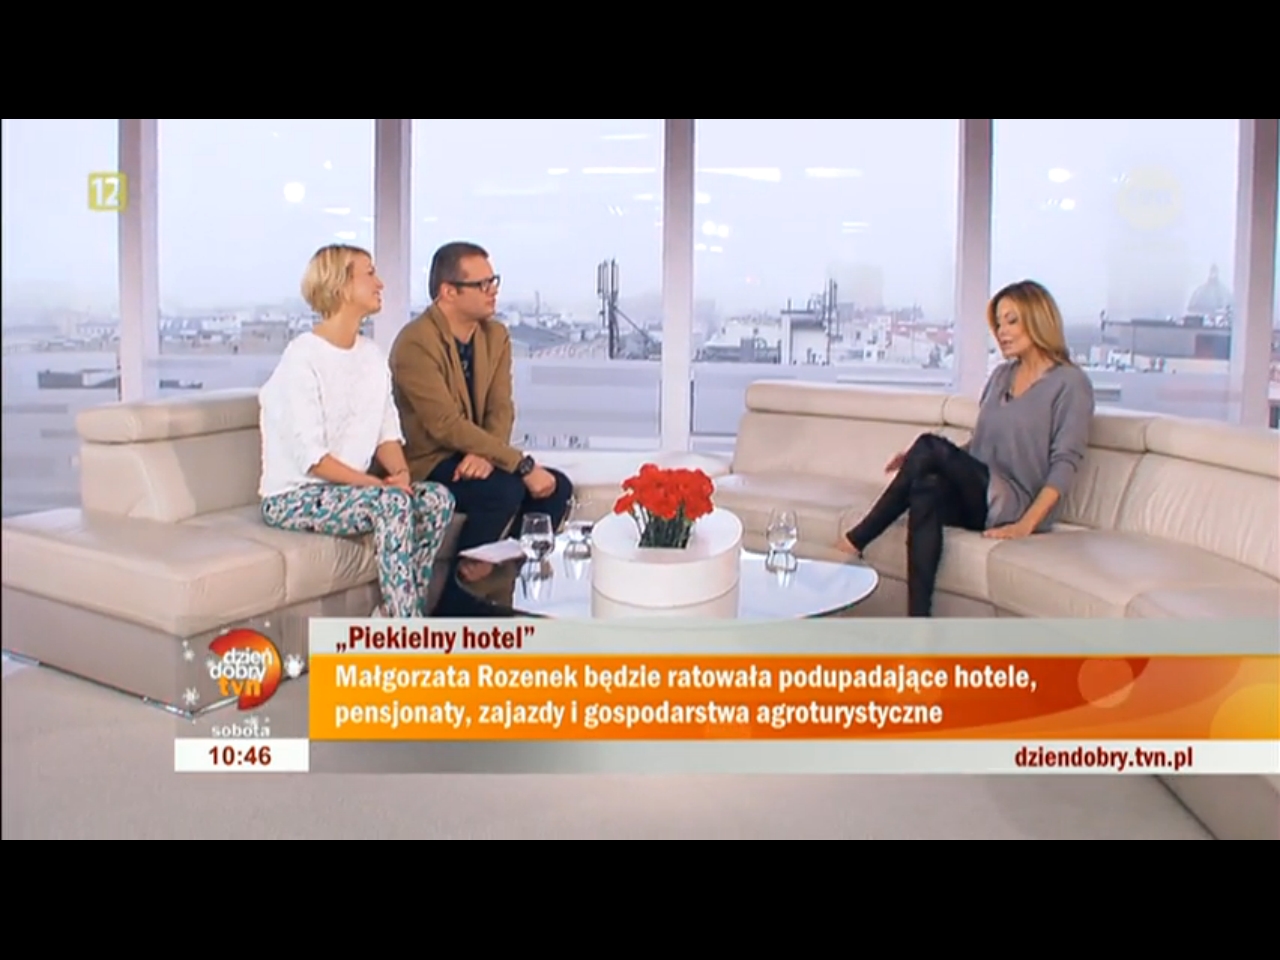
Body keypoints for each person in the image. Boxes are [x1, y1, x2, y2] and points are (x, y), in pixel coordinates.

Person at [836, 279, 1095, 617]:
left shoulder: (1071, 383)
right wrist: (920, 461)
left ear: (1038, 319)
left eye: (1011, 321)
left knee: (929, 446)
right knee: (926, 486)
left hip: (1016, 504)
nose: (1002, 332)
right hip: (980, 496)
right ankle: (918, 624)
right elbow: (981, 443)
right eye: (998, 324)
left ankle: (854, 541)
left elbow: (1065, 463)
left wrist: (1025, 525)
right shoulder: (1001, 376)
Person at [257, 244, 456, 618]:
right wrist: (377, 486)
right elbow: (313, 459)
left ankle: (393, 614)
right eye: (370, 274)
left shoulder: (371, 355)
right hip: (294, 496)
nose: (380, 283)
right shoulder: (302, 357)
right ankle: (409, 631)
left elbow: (386, 433)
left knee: (436, 499)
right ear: (342, 286)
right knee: (392, 503)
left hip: (349, 491)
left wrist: (400, 475)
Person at [389, 241, 573, 586]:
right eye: (482, 284)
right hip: (430, 461)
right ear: (448, 292)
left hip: (477, 452)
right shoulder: (415, 342)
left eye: (493, 281)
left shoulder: (495, 335)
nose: (493, 290)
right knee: (502, 491)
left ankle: (504, 580)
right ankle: (457, 599)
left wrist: (487, 455)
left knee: (556, 487)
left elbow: (501, 408)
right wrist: (520, 464)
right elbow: (444, 424)